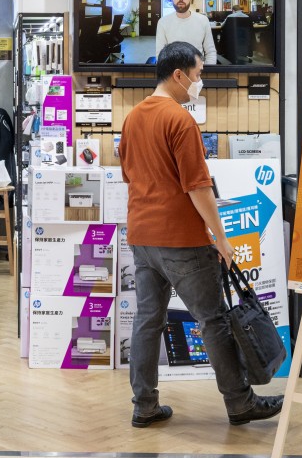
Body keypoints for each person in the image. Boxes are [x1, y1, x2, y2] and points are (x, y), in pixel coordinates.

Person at [118, 41, 282, 429]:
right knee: (214, 321)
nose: (200, 81)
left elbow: (134, 176)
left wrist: (194, 199)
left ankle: (144, 405)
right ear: (179, 75)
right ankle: (240, 404)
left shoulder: (133, 117)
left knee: (146, 321)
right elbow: (196, 185)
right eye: (198, 74)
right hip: (182, 240)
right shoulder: (180, 119)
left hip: (142, 236)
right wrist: (222, 239)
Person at [155, 0, 217, 64]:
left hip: (198, 73)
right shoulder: (163, 22)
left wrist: (205, 73)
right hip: (173, 72)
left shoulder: (203, 20)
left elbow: (210, 53)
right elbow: (160, 55)